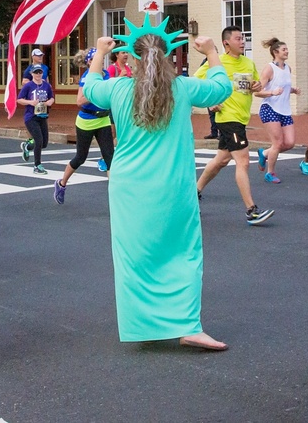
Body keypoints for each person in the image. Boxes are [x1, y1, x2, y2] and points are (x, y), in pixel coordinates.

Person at [83, 18, 232, 350]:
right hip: (173, 188)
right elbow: (222, 87)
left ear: (130, 59)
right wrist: (211, 52)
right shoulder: (183, 87)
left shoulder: (118, 88)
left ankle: (143, 326)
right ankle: (188, 326)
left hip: (128, 188)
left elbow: (89, 88)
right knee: (184, 253)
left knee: (134, 258)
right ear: (167, 57)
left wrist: (100, 54)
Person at [194, 26, 274, 225]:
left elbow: (255, 85)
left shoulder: (248, 62)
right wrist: (210, 102)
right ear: (226, 43)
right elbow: (194, 85)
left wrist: (258, 85)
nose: (242, 41)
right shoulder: (217, 63)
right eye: (238, 38)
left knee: (221, 160)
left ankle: (193, 194)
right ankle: (251, 210)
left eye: (244, 37)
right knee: (243, 161)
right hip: (228, 119)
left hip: (241, 118)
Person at [53, 48, 115, 204]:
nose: (100, 62)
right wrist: (95, 91)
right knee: (81, 157)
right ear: (89, 63)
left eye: (100, 58)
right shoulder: (87, 78)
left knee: (110, 158)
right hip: (86, 120)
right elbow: (79, 101)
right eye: (96, 59)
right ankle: (61, 184)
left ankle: (114, 193)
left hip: (103, 119)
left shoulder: (106, 74)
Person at [256, 37, 301, 183]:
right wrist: (272, 93)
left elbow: (284, 86)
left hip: (285, 110)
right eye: (284, 49)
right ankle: (270, 173)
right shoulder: (269, 68)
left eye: (287, 49)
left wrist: (292, 90)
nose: (287, 52)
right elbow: (257, 92)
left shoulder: (288, 68)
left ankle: (265, 153)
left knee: (289, 143)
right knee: (277, 143)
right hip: (270, 108)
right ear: (276, 52)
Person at [17, 64, 54, 174]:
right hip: (31, 117)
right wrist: (30, 102)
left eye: (40, 72)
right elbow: (19, 99)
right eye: (36, 72)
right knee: (39, 140)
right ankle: (37, 166)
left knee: (44, 143)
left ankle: (27, 146)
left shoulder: (46, 86)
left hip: (42, 116)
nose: (38, 74)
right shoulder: (28, 86)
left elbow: (51, 97)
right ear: (32, 74)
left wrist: (49, 102)